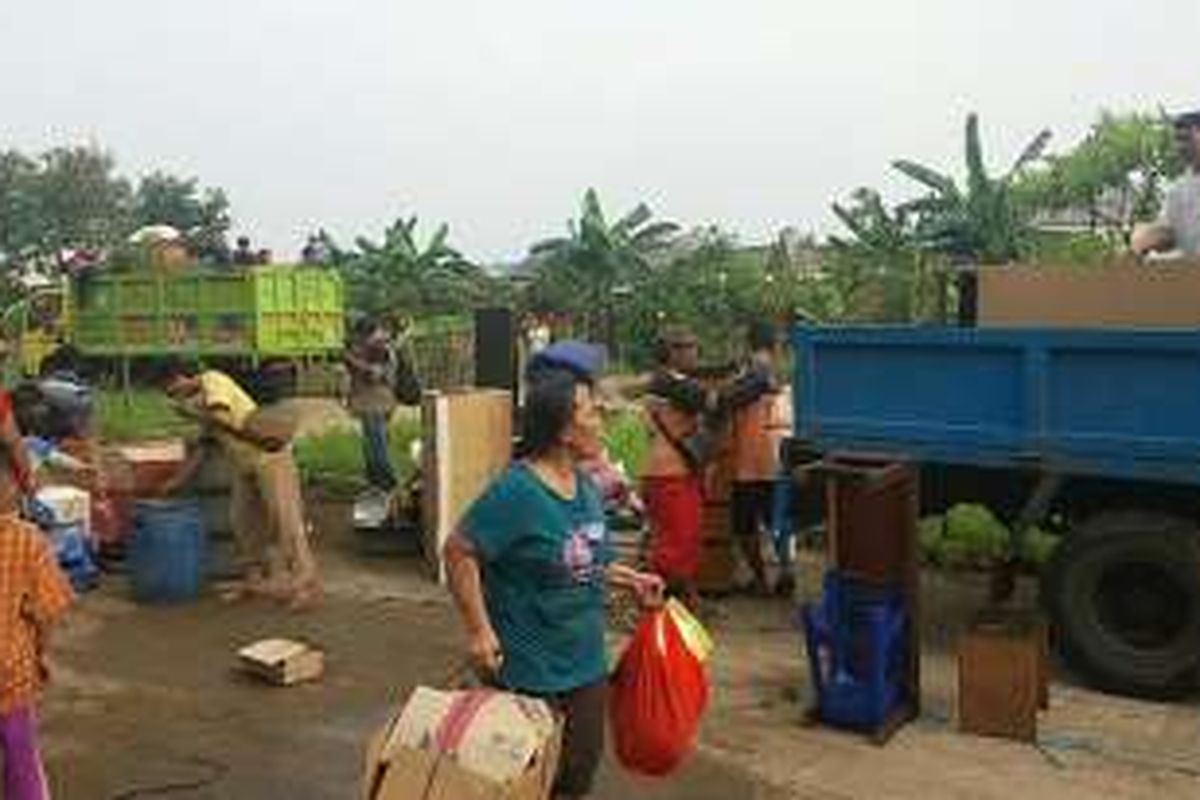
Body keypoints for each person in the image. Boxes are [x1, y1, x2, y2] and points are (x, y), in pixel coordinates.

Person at [444, 353, 664, 800]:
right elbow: (458, 550)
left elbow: (582, 557)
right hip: (529, 671)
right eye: (590, 410)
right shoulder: (517, 491)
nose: (601, 418)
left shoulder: (584, 485)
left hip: (585, 666)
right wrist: (480, 631)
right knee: (523, 783)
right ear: (564, 430)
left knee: (576, 777)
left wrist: (629, 579)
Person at [158, 360, 320, 609]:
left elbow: (221, 419)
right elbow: (204, 447)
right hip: (245, 466)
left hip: (269, 458)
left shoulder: (212, 380)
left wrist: (192, 416)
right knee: (242, 522)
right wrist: (176, 481)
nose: (174, 396)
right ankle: (253, 582)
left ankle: (305, 585)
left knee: (285, 521)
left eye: (172, 389)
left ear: (179, 378)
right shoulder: (198, 399)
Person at [0, 342, 74, 800]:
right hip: (9, 678)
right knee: (22, 765)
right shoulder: (24, 541)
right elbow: (48, 610)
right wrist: (39, 655)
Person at [640, 327, 708, 609]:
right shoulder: (669, 383)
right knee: (674, 548)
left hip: (674, 472)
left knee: (683, 541)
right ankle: (651, 601)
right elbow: (706, 400)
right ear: (673, 352)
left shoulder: (671, 382)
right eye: (689, 346)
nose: (695, 352)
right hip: (669, 474)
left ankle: (681, 602)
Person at [724, 321, 793, 596]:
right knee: (776, 519)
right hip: (775, 458)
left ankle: (761, 579)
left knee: (744, 525)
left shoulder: (753, 370)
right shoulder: (775, 371)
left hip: (749, 461)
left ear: (748, 341)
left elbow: (730, 400)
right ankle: (786, 571)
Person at [1132, 110, 1200, 257]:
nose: (1181, 146)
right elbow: (1169, 234)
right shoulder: (1178, 191)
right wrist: (1146, 237)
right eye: (1177, 139)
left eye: (1186, 138)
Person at [344, 317, 400, 493]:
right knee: (371, 445)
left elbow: (375, 374)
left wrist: (351, 360)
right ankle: (375, 481)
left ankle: (388, 483)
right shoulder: (367, 348)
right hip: (373, 403)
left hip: (376, 403)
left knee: (377, 445)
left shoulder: (381, 349)